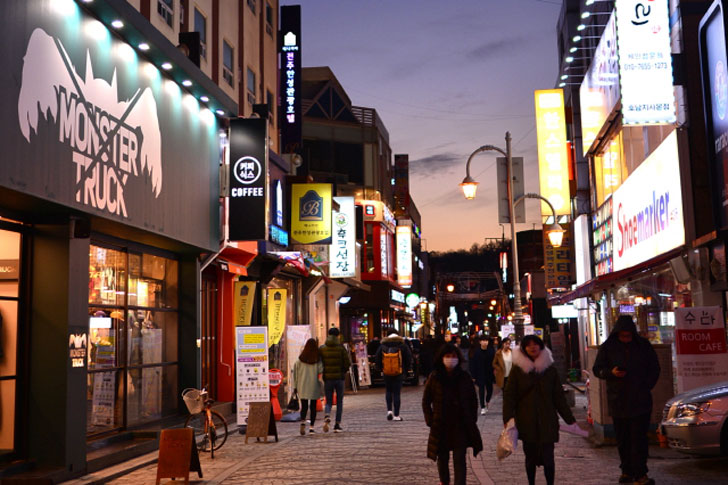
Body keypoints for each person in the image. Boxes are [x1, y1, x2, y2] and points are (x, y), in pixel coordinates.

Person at [592, 315, 660, 485]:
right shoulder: (608, 347)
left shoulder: (643, 346)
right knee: (623, 439)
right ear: (617, 334)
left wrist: (645, 386)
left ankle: (640, 473)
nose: (625, 339)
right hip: (618, 400)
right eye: (622, 336)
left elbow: (654, 368)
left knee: (639, 439)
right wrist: (611, 373)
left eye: (628, 336)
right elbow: (597, 369)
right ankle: (626, 471)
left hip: (640, 400)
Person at [503, 335, 576, 485]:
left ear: (541, 346)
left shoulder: (550, 370)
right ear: (524, 349)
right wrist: (508, 418)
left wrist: (570, 419)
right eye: (528, 345)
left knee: (549, 458)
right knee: (530, 457)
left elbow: (558, 397)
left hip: (547, 419)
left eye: (535, 344)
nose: (532, 347)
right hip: (526, 420)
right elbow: (510, 396)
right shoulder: (517, 370)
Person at [422, 343, 482, 485]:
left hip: (460, 424)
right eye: (447, 356)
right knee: (442, 458)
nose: (451, 359)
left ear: (458, 358)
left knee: (459, 458)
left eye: (453, 356)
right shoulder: (435, 377)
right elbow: (426, 401)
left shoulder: (464, 377)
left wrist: (471, 418)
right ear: (441, 358)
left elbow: (473, 400)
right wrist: (430, 419)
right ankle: (444, 481)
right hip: (441, 424)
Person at [375, 330, 412, 421]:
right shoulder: (402, 345)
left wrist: (380, 369)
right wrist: (406, 370)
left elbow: (377, 358)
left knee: (388, 390)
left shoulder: (383, 346)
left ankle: (389, 411)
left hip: (386, 372)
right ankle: (396, 415)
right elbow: (409, 358)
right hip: (398, 372)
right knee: (396, 393)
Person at [319, 327, 351, 433]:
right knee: (339, 401)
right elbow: (347, 363)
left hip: (328, 378)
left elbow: (319, 363)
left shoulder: (322, 348)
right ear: (338, 336)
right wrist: (343, 371)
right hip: (339, 378)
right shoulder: (341, 348)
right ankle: (337, 424)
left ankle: (327, 414)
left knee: (328, 400)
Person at [293, 338, 324, 435]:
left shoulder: (299, 360)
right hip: (314, 385)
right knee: (313, 407)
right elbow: (321, 371)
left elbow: (295, 374)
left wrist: (295, 386)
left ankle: (302, 422)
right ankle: (311, 427)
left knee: (304, 406)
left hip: (302, 386)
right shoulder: (317, 360)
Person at [469, 336, 495, 414]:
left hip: (489, 374)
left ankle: (487, 400)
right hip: (480, 374)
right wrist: (473, 375)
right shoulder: (476, 352)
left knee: (490, 389)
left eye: (486, 341)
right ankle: (482, 407)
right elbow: (473, 364)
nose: (485, 342)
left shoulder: (491, 351)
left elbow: (494, 362)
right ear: (480, 342)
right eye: (483, 341)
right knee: (481, 390)